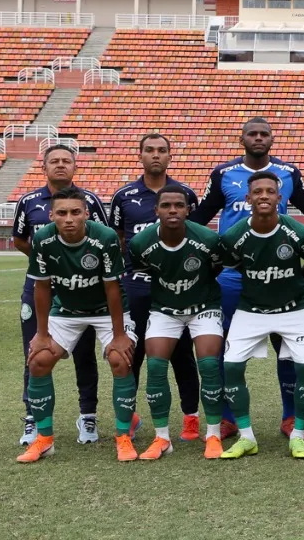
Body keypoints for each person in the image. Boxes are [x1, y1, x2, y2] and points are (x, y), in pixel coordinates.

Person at [190, 117, 304, 437]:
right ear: (241, 138)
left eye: (264, 134)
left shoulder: (288, 173)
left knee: (287, 347)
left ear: (272, 139)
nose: (258, 138)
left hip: (278, 274)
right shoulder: (223, 174)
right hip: (232, 276)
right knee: (225, 347)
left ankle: (290, 417)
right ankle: (229, 418)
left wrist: (299, 273)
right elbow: (200, 218)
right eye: (252, 134)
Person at [17, 187, 139, 463]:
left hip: (106, 311)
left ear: (86, 213)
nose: (69, 218)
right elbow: (42, 287)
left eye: (75, 212)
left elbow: (113, 289)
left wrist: (119, 336)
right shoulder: (43, 239)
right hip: (67, 310)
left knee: (121, 358)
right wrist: (42, 333)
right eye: (62, 213)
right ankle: (44, 439)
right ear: (51, 216)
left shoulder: (105, 237)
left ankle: (123, 437)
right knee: (38, 360)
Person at [215, 171, 304, 459]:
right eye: (258, 192)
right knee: (232, 366)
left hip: (294, 308)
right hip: (251, 308)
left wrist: (296, 280)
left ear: (280, 197)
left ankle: (298, 435)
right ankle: (247, 437)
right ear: (248, 198)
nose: (264, 195)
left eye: (269, 191)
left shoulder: (298, 232)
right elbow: (230, 263)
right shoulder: (234, 236)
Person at [109, 133, 201, 443]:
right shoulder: (123, 196)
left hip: (177, 289)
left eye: (162, 150)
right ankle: (130, 416)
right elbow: (119, 240)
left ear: (170, 156)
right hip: (137, 288)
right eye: (149, 150)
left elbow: (195, 237)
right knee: (132, 353)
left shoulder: (185, 193)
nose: (156, 155)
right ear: (140, 155)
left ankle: (191, 417)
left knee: (182, 355)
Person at [13, 144, 106, 445]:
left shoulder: (89, 200)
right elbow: (20, 239)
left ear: (75, 167)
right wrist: (48, 262)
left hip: (81, 288)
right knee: (35, 350)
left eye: (67, 160)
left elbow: (104, 241)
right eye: (55, 161)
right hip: (38, 286)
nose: (61, 165)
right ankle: (34, 419)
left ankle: (88, 415)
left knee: (84, 353)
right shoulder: (28, 201)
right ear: (44, 167)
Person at [127, 185, 227, 460]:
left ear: (188, 209)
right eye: (167, 205)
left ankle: (213, 434)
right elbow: (143, 268)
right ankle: (162, 438)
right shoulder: (141, 243)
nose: (173, 210)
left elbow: (216, 266)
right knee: (156, 367)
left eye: (179, 206)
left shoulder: (207, 239)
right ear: (156, 209)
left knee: (208, 364)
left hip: (204, 306)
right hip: (165, 309)